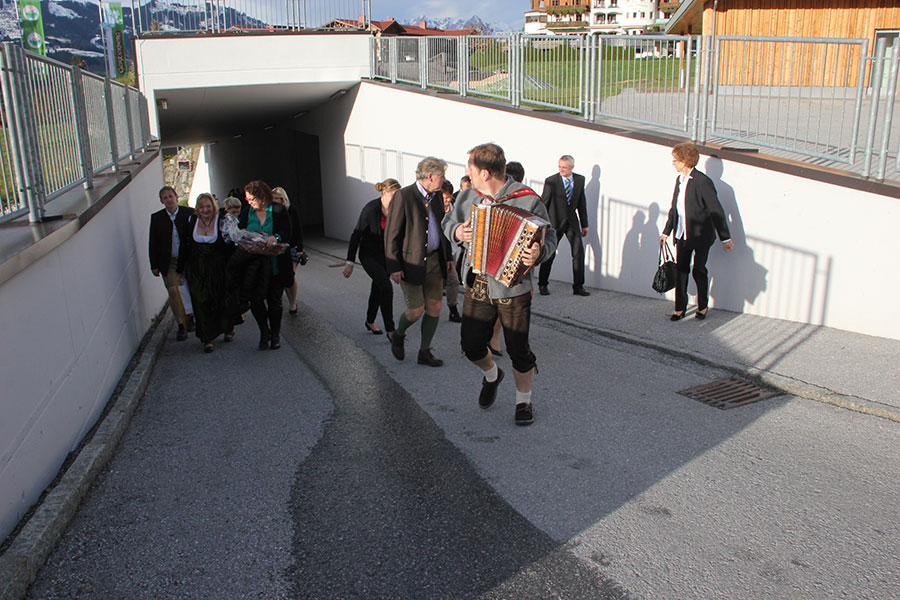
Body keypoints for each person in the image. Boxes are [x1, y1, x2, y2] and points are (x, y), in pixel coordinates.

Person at [442, 142, 557, 426]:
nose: (467, 173)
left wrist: (539, 253)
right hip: (479, 282)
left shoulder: (527, 199)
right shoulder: (467, 196)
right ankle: (492, 375)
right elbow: (447, 222)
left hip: (514, 287)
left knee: (518, 349)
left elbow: (550, 236)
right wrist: (457, 231)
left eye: (470, 168)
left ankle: (523, 401)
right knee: (471, 345)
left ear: (484, 172)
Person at [384, 157, 452, 367]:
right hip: (410, 263)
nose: (444, 180)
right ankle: (398, 334)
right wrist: (394, 266)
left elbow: (442, 228)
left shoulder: (437, 196)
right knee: (416, 310)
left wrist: (448, 256)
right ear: (430, 176)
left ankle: (424, 351)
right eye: (442, 175)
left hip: (435, 260)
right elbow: (392, 233)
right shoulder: (404, 196)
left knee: (435, 306)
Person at [659, 142, 734, 321]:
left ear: (684, 161)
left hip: (701, 236)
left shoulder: (703, 182)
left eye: (675, 160)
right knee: (681, 271)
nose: (673, 163)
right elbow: (675, 209)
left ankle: (702, 306)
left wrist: (725, 238)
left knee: (699, 270)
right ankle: (679, 308)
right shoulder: (679, 181)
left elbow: (716, 210)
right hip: (682, 234)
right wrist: (666, 232)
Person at [176, 193, 234, 352]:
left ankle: (227, 329)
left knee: (220, 299)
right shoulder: (191, 221)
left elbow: (229, 244)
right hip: (197, 269)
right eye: (201, 207)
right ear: (197, 208)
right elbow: (184, 246)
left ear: (213, 206)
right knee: (200, 301)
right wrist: (180, 269)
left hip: (218, 267)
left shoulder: (221, 220)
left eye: (208, 206)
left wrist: (232, 267)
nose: (205, 210)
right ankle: (206, 338)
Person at [239, 180, 293, 349]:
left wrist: (275, 237)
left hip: (275, 263)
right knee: (256, 301)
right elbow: (240, 231)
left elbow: (287, 231)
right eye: (247, 199)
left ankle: (275, 335)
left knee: (274, 301)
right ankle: (264, 331)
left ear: (262, 196)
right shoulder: (247, 212)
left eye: (251, 199)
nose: (249, 202)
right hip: (254, 265)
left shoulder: (278, 210)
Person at [343, 178, 399, 338]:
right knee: (386, 287)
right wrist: (350, 262)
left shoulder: (397, 210)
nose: (397, 199)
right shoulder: (370, 209)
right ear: (384, 192)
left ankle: (370, 321)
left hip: (386, 256)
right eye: (394, 195)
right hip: (369, 255)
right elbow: (356, 234)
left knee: (378, 288)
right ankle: (391, 330)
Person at [537, 154, 590, 296]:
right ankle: (543, 284)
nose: (561, 170)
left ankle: (578, 286)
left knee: (578, 252)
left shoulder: (579, 180)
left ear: (572, 167)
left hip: (572, 222)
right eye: (560, 167)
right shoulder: (551, 181)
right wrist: (542, 224)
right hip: (554, 222)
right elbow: (544, 203)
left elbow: (581, 202)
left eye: (564, 168)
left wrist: (584, 224)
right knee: (550, 253)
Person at [148, 185, 194, 341]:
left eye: (170, 196)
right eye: (165, 198)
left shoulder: (189, 213)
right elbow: (153, 242)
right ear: (162, 201)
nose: (168, 200)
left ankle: (190, 317)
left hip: (187, 258)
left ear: (176, 197)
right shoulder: (157, 218)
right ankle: (180, 324)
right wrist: (154, 265)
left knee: (190, 288)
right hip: (169, 261)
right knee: (173, 291)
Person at [271, 187, 305, 315]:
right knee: (285, 277)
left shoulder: (291, 210)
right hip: (279, 249)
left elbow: (298, 229)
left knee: (291, 275)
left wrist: (300, 248)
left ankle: (293, 303)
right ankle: (291, 301)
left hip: (292, 248)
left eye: (277, 198)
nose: (275, 201)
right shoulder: (271, 212)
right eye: (273, 198)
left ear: (283, 199)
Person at [440, 180, 462, 323]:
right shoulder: (432, 209)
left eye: (449, 197)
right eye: (445, 197)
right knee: (446, 280)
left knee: (453, 280)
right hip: (437, 252)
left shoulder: (454, 208)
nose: (448, 200)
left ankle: (452, 310)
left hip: (451, 251)